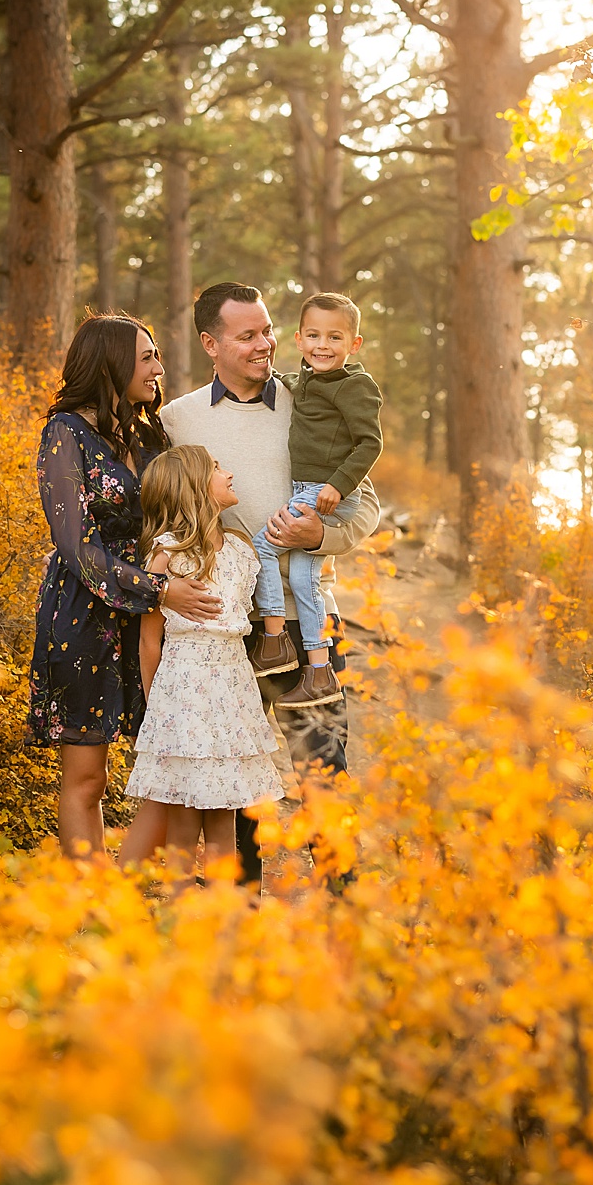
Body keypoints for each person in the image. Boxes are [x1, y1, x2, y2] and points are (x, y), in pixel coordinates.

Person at [159, 281, 381, 885]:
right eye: (247, 335)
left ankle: (345, 907)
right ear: (211, 343)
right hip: (226, 629)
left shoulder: (309, 399)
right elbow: (162, 513)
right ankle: (243, 909)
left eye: (268, 330)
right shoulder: (176, 420)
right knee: (237, 779)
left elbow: (366, 506)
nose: (266, 344)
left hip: (307, 618)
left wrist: (321, 538)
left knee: (323, 768)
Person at [26, 315, 223, 861]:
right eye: (147, 357)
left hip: (152, 621)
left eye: (157, 355)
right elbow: (75, 545)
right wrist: (158, 589)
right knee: (87, 776)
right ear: (111, 362)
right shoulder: (65, 433)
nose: (159, 368)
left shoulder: (150, 434)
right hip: (84, 615)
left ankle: (131, 882)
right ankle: (86, 903)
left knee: (162, 764)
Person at [122, 445, 282, 878]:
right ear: (195, 489)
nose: (229, 473)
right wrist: (158, 712)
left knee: (225, 810)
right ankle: (178, 911)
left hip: (231, 693)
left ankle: (221, 924)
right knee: (184, 815)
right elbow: (148, 641)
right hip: (183, 697)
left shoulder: (240, 551)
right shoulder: (167, 555)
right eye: (216, 468)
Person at [247, 292, 383, 710]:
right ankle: (319, 670)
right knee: (306, 583)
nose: (323, 345)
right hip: (312, 487)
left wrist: (338, 487)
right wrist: (283, 380)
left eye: (335, 337)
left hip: (323, 490)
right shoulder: (307, 380)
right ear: (300, 341)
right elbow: (295, 384)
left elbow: (370, 443)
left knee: (262, 544)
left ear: (354, 344)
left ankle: (273, 641)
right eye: (314, 336)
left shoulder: (356, 386)